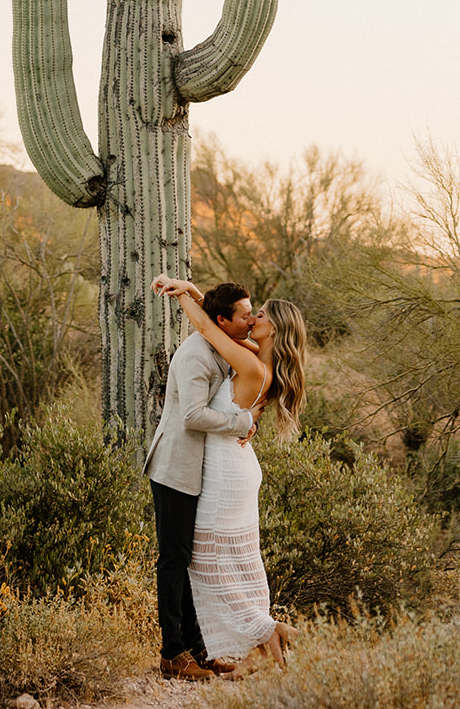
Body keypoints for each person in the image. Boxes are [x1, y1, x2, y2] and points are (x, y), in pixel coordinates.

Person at [152, 274, 307, 672]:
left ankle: (263, 629)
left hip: (225, 469)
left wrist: (182, 290)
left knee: (205, 562)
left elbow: (208, 324)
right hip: (233, 465)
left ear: (273, 328)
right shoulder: (256, 355)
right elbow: (218, 320)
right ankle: (264, 639)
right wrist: (194, 293)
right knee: (229, 561)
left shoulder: (251, 363)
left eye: (261, 314)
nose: (254, 317)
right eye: (249, 313)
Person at [142, 280, 264, 681]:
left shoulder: (222, 343)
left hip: (199, 471)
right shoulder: (197, 355)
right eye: (245, 315)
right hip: (176, 469)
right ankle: (173, 653)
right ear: (222, 321)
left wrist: (191, 290)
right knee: (174, 560)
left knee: (190, 561)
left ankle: (198, 650)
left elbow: (242, 348)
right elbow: (193, 415)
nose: (250, 320)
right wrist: (240, 423)